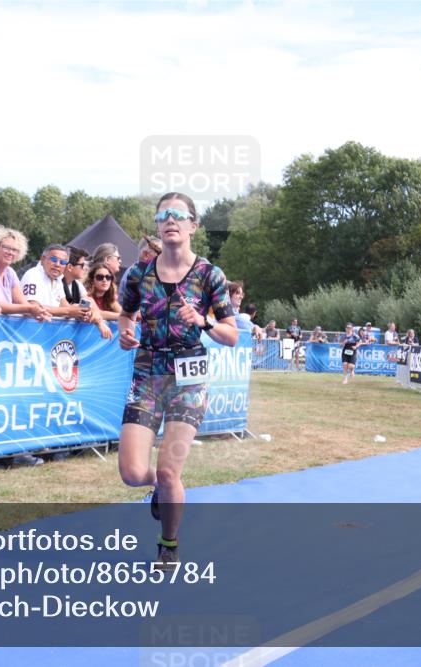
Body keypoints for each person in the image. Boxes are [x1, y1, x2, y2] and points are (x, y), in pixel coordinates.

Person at [117, 192, 238, 567]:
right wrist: (124, 331)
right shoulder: (138, 274)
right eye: (164, 215)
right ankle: (163, 487)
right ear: (157, 224)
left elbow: (231, 335)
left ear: (193, 226)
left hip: (189, 377)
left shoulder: (209, 275)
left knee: (170, 470)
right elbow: (126, 314)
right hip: (147, 373)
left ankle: (168, 543)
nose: (171, 220)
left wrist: (203, 321)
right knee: (132, 473)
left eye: (179, 215)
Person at [22, 244, 111, 337]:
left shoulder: (61, 279)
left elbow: (68, 306)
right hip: (30, 334)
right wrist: (70, 311)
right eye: (54, 259)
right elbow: (33, 307)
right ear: (43, 259)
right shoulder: (33, 275)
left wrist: (91, 314)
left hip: (46, 334)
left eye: (63, 262)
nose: (57, 264)